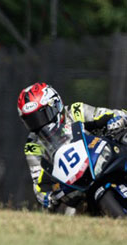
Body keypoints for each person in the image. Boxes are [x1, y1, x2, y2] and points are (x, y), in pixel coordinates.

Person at [16, 82, 127, 211]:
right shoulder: (32, 145)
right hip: (76, 186)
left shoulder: (75, 111)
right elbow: (38, 183)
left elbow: (110, 114)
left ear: (55, 105)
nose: (39, 124)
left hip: (103, 156)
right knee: (68, 213)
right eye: (31, 120)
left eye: (41, 116)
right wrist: (47, 198)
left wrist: (116, 119)